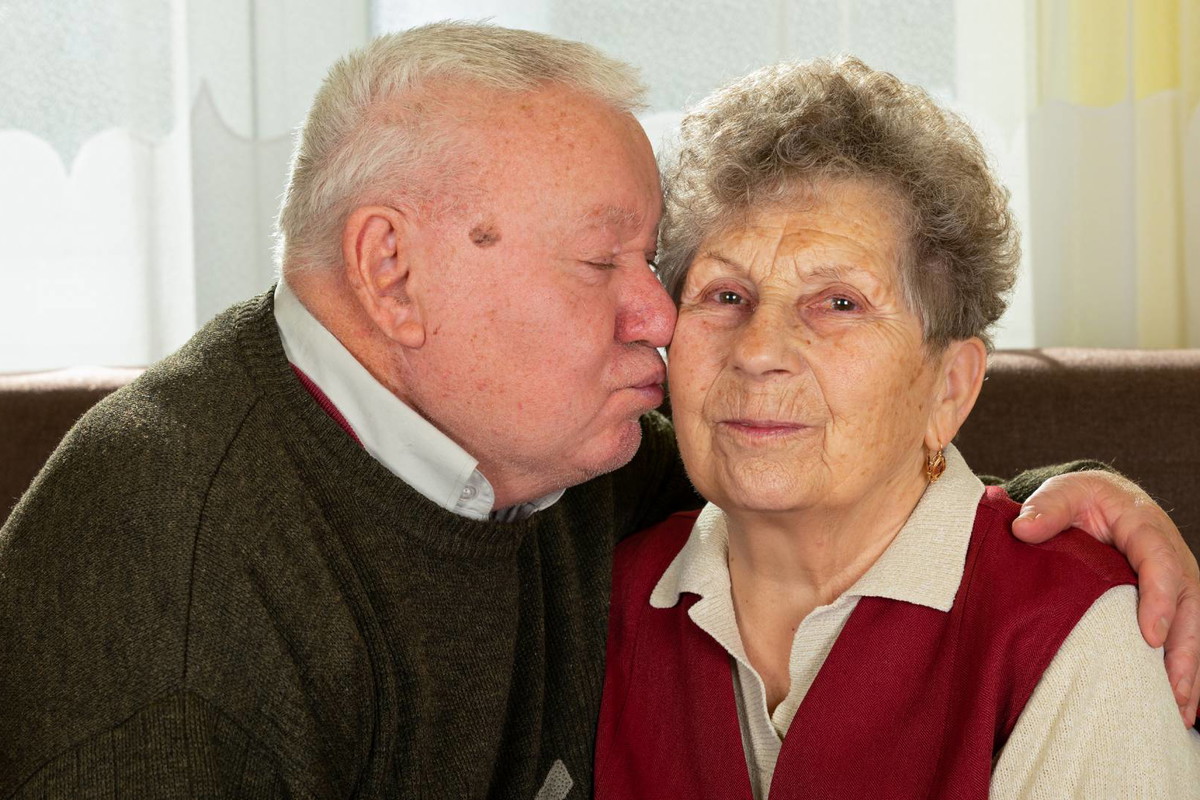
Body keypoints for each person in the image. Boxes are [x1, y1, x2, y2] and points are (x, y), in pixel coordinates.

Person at [0, 23, 1194, 799]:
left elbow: (844, 487)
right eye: (605, 266)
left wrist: (1054, 507)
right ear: (392, 272)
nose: (666, 320)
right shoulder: (167, 572)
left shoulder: (563, 465)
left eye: (658, 269)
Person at [594, 57, 1200, 799]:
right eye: (725, 295)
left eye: (839, 303)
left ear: (949, 387)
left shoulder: (1076, 627)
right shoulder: (601, 596)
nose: (756, 352)